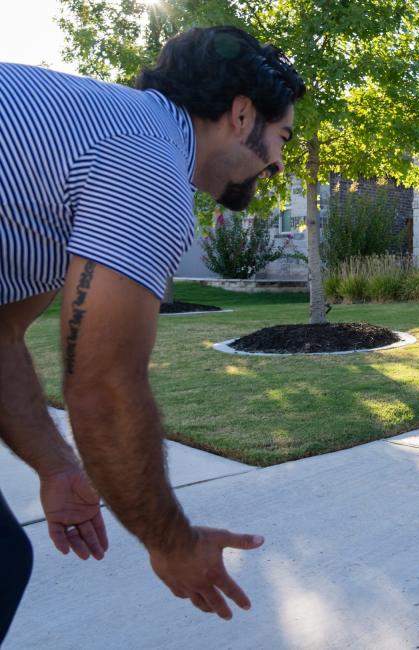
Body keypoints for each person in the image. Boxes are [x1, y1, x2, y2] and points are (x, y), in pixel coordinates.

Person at [0, 26, 305, 639]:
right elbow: (104, 388)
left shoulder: (96, 140)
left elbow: (0, 333)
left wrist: (59, 469)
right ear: (242, 112)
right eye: (281, 137)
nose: (278, 161)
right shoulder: (149, 164)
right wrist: (173, 542)